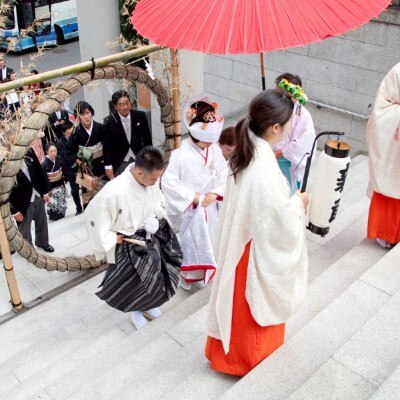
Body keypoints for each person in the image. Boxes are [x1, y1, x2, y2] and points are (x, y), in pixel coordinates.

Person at [206, 89, 309, 376]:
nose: (289, 127)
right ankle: (245, 359)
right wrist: (298, 205)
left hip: (242, 243)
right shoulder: (261, 162)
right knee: (250, 309)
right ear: (275, 127)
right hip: (253, 250)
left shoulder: (248, 147)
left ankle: (228, 354)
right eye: (287, 122)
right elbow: (278, 221)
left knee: (236, 306)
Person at [85, 147, 182, 330]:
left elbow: (157, 199)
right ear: (139, 172)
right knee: (135, 280)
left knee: (156, 274)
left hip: (150, 232)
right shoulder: (114, 190)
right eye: (153, 179)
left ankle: (150, 305)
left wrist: (160, 217)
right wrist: (112, 238)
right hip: (129, 240)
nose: (156, 182)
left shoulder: (150, 179)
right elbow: (94, 214)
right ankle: (136, 311)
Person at [162, 97, 228, 290]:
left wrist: (216, 192)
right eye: (206, 140)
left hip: (211, 204)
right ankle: (187, 275)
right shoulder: (180, 155)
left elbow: (223, 172)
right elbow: (169, 182)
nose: (210, 144)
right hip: (192, 207)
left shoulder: (214, 148)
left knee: (212, 239)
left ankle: (207, 270)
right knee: (191, 243)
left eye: (211, 140)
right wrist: (194, 197)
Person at [366, 62, 400, 249]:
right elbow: (382, 108)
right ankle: (385, 234)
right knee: (389, 186)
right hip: (393, 140)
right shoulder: (397, 71)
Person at [273, 73, 315, 193]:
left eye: (277, 91)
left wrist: (278, 154)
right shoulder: (274, 108)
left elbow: (302, 144)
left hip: (286, 161)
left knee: (284, 193)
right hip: (270, 155)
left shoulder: (303, 115)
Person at [10, 147, 54, 252]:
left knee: (42, 220)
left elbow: (39, 170)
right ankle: (29, 251)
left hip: (37, 193)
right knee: (24, 229)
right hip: (21, 200)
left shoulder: (28, 150)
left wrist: (45, 191)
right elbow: (3, 188)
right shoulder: (5, 160)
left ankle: (43, 242)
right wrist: (14, 211)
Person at [103, 90, 152, 179]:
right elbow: (107, 146)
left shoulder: (140, 116)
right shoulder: (109, 121)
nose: (124, 107)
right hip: (120, 160)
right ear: (115, 106)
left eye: (127, 103)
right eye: (120, 104)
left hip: (138, 158)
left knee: (141, 184)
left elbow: (147, 139)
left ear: (130, 102)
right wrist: (108, 166)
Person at [67, 101, 106, 208]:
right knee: (90, 199)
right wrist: (78, 160)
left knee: (105, 195)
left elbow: (107, 147)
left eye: (87, 113)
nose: (86, 116)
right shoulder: (76, 132)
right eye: (82, 114)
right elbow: (69, 150)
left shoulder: (100, 127)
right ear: (78, 117)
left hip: (101, 164)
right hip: (86, 167)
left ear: (92, 113)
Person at [57, 121, 82, 215]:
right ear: (64, 133)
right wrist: (76, 158)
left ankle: (87, 204)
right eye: (68, 133)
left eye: (72, 132)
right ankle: (78, 208)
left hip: (81, 166)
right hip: (70, 169)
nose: (70, 134)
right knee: (74, 190)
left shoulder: (76, 136)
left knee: (85, 186)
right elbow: (65, 156)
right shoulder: (60, 143)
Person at [41, 142, 67, 221]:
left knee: (62, 203)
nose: (53, 153)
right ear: (46, 152)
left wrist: (64, 180)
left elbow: (63, 170)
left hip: (60, 183)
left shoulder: (59, 158)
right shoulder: (44, 164)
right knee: (54, 206)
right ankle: (53, 215)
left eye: (54, 150)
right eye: (51, 151)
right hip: (51, 187)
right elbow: (45, 179)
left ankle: (61, 213)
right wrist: (48, 190)